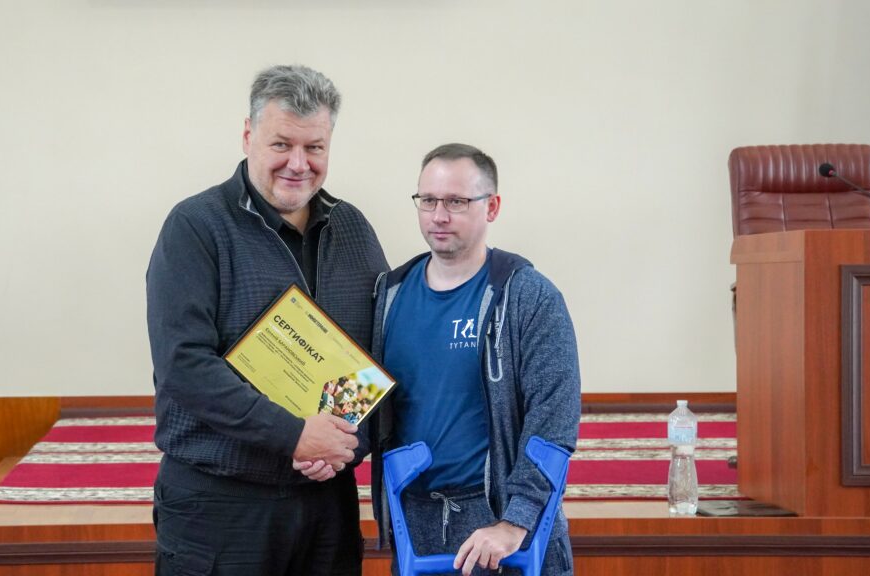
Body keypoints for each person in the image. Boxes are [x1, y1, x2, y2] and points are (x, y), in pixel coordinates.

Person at [147, 64, 388, 576]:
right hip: (219, 505)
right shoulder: (195, 226)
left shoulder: (353, 229)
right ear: (248, 136)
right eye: (282, 144)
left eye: (314, 147)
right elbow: (183, 365)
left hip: (327, 501)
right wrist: (294, 434)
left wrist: (340, 444)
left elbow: (377, 354)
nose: (298, 164)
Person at [369, 143, 580, 575]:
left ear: (492, 206)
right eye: (428, 200)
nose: (438, 216)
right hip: (416, 529)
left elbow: (553, 423)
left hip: (504, 532)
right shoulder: (388, 296)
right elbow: (366, 401)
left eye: (456, 202)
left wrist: (515, 521)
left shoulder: (529, 297)